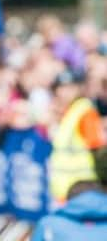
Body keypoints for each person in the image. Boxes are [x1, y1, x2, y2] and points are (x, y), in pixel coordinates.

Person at [48, 69, 105, 203]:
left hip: (82, 192)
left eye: (70, 87)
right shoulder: (68, 112)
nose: (65, 92)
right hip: (65, 193)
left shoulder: (84, 112)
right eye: (61, 87)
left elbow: (99, 150)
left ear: (79, 88)